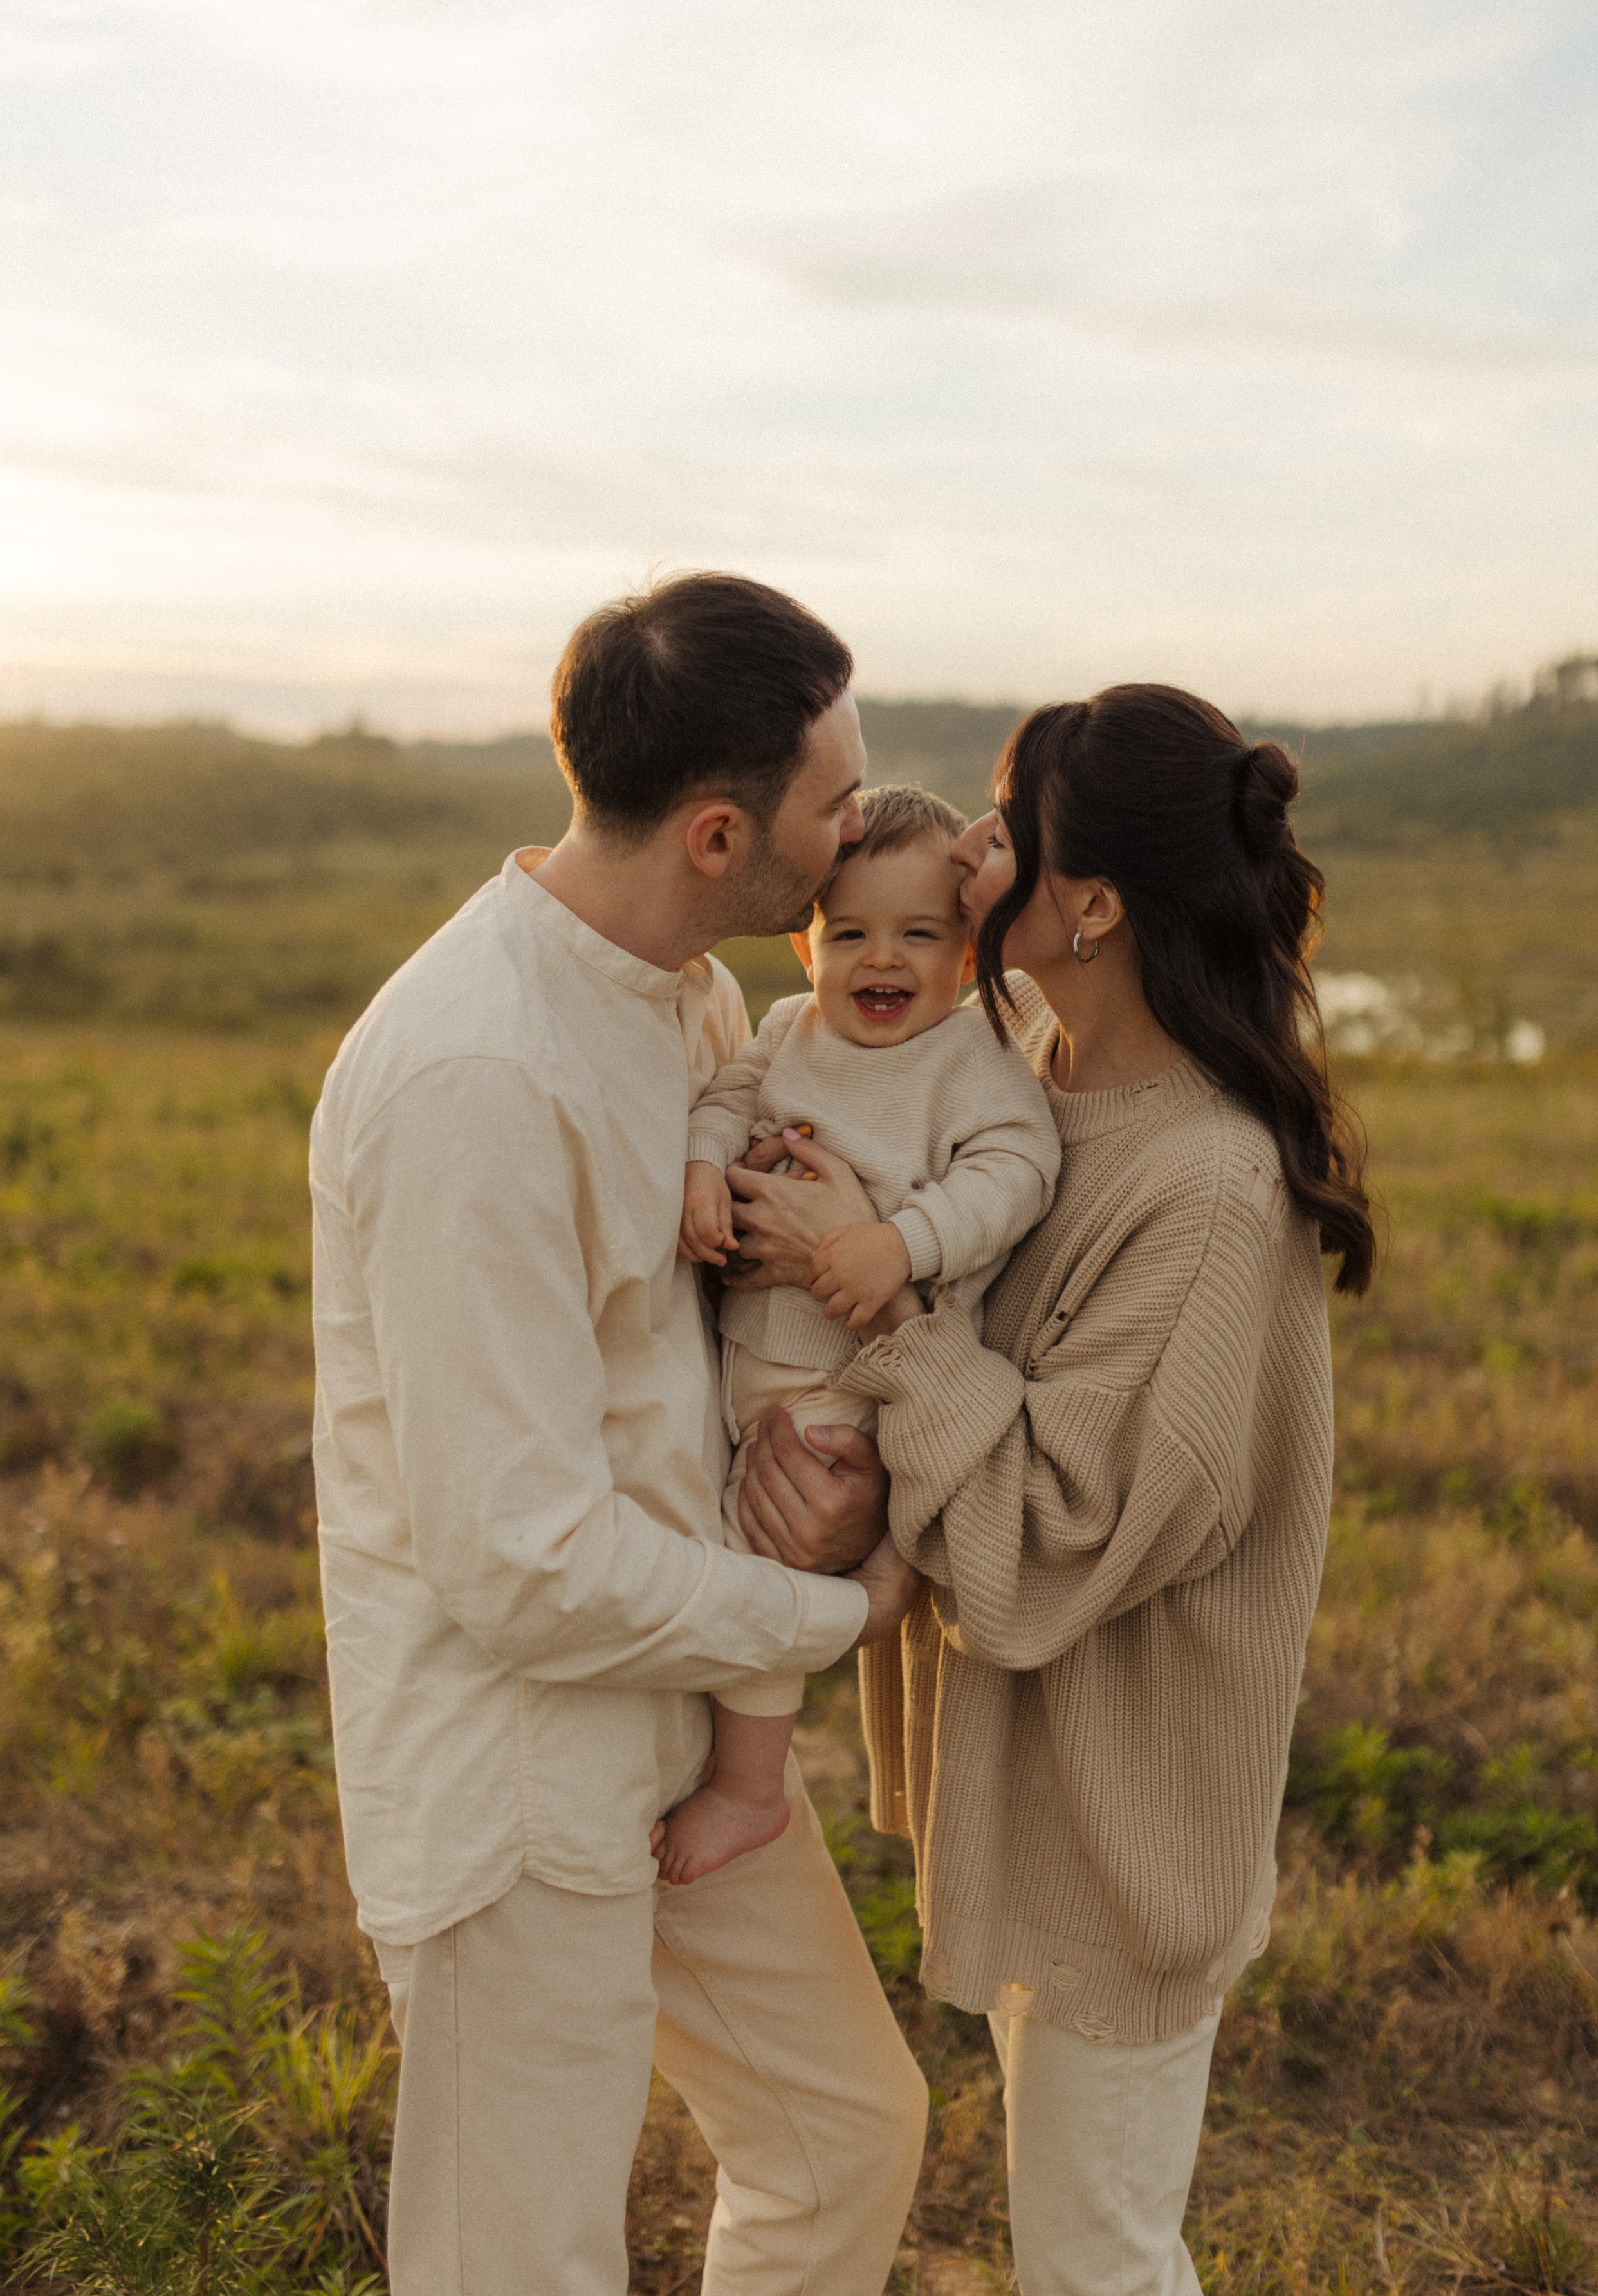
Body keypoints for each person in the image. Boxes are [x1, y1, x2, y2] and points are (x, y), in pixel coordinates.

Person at [309, 572, 926, 2296]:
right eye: (833, 802)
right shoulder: (470, 1075)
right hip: (518, 1777)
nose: (859, 825)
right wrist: (837, 1613)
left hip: (678, 1719)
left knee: (844, 2133)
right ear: (723, 836)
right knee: (517, 2265)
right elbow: (517, 1565)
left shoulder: (690, 1000)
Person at [724, 683, 1375, 2296]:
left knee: (1096, 2258)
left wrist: (868, 1296)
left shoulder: (1207, 1187)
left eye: (1009, 825)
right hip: (1028, 1783)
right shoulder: (1030, 1067)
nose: (973, 850)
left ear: (1087, 905)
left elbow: (1058, 1537)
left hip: (1125, 1814)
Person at [659, 782, 1061, 1885]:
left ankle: (749, 1787)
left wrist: (905, 1241)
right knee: (729, 1532)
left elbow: (1019, 1170)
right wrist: (703, 1162)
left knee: (771, 1554)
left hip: (858, 1375)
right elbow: (727, 1094)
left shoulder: (973, 1059)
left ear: (970, 949)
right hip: (748, 1363)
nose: (883, 961)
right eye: (852, 934)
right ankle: (868, 1585)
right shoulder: (787, 1031)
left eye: (919, 934)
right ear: (805, 944)